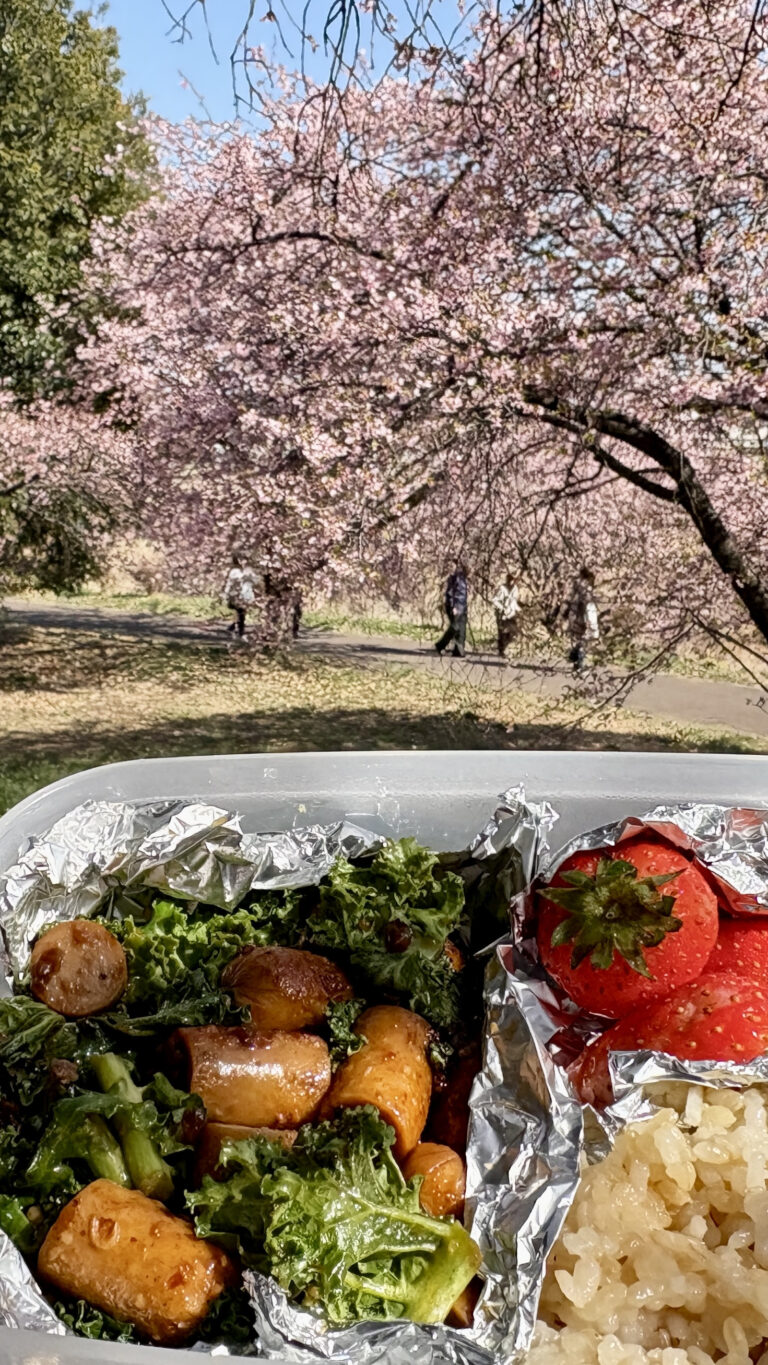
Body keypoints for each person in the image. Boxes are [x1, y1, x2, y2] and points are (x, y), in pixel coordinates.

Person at [564, 567, 599, 672]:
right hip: (583, 614)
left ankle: (576, 660)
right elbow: (586, 603)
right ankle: (579, 662)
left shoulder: (578, 585)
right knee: (584, 640)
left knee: (580, 639)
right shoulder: (586, 587)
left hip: (577, 614)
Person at [435, 562, 469, 658]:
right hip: (456, 607)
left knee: (461, 628)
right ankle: (440, 645)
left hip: (462, 607)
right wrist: (454, 606)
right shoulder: (458, 578)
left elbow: (462, 595)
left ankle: (459, 650)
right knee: (455, 627)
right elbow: (452, 593)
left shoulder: (462, 578)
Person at [222, 552, 257, 638]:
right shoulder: (235, 571)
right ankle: (239, 629)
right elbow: (232, 581)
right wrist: (227, 593)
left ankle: (234, 627)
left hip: (246, 593)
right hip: (237, 594)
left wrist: (251, 577)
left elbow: (255, 580)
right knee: (240, 611)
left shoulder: (249, 570)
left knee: (241, 612)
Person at [492, 571, 520, 659]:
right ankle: (502, 650)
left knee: (513, 631)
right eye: (511, 579)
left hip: (512, 613)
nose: (512, 581)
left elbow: (514, 601)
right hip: (502, 614)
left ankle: (508, 649)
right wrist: (502, 607)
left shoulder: (515, 589)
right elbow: (495, 600)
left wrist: (518, 609)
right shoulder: (502, 588)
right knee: (503, 633)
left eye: (514, 580)